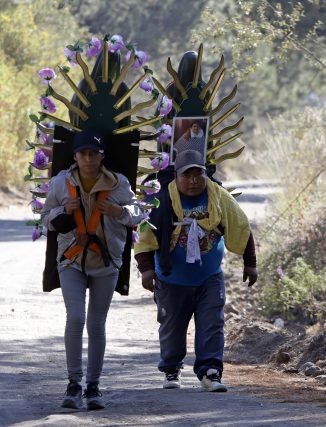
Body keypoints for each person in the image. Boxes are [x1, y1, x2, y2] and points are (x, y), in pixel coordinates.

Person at [134, 148, 257, 392]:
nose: (193, 181)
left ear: (206, 175)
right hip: (171, 279)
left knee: (212, 323)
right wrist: (147, 270)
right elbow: (144, 235)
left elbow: (241, 226)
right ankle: (171, 369)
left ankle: (210, 372)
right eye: (186, 175)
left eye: (198, 175)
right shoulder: (161, 199)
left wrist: (250, 262)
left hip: (209, 277)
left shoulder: (218, 197)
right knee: (171, 327)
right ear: (176, 176)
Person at [41, 129, 143, 410]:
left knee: (96, 323)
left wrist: (118, 212)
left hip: (106, 262)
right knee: (75, 317)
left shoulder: (118, 183)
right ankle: (74, 383)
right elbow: (46, 218)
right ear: (74, 156)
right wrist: (63, 211)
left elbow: (138, 213)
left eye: (93, 153)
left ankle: (93, 387)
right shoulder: (62, 183)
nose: (88, 158)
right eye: (83, 153)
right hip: (71, 260)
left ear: (102, 156)